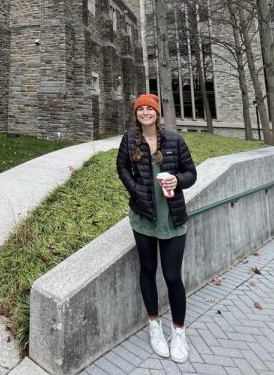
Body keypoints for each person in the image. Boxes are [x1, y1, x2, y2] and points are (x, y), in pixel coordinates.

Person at [116, 93, 197, 364]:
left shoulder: (174, 140)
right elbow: (122, 167)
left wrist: (176, 179)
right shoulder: (130, 139)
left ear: (157, 113)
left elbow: (191, 173)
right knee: (148, 271)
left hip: (172, 218)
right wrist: (136, 189)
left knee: (173, 276)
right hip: (143, 217)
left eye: (150, 109)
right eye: (141, 109)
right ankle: (154, 325)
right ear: (136, 113)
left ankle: (179, 332)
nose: (145, 113)